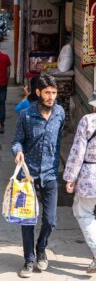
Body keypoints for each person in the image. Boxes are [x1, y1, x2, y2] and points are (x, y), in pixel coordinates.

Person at [12, 75, 65, 278]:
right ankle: (29, 260)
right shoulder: (26, 115)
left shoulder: (60, 113)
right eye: (47, 93)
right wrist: (18, 151)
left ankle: (41, 247)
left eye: (54, 92)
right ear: (38, 93)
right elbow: (17, 141)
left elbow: (59, 138)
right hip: (28, 176)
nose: (51, 97)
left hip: (50, 174)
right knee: (28, 220)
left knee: (50, 220)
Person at [63, 102, 96, 274]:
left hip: (91, 176)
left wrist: (70, 177)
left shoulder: (88, 121)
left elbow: (78, 152)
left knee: (82, 212)